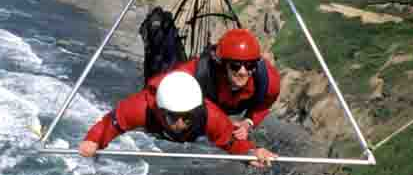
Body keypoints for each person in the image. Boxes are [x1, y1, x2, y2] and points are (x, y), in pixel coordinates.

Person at [80, 71, 277, 168]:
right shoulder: (141, 107)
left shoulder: (210, 115)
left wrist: (251, 153)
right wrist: (94, 140)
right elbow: (113, 122)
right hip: (155, 126)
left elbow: (231, 140)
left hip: (190, 128)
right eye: (174, 117)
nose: (181, 124)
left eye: (187, 117)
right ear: (161, 110)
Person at [148, 28, 280, 141]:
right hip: (207, 102)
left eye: (250, 66)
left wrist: (248, 122)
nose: (243, 72)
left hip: (230, 105)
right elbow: (154, 88)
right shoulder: (197, 72)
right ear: (222, 65)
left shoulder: (268, 82)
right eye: (235, 66)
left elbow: (265, 104)